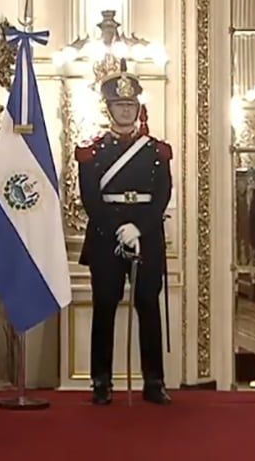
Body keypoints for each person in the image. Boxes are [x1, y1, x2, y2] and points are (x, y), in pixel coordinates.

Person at [76, 72, 172, 406]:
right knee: (104, 306)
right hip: (106, 235)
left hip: (146, 233)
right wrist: (116, 229)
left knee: (148, 305)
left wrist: (139, 230)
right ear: (109, 108)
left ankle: (154, 381)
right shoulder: (92, 151)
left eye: (131, 104)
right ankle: (100, 381)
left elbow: (161, 195)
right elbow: (90, 197)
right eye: (120, 104)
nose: (126, 110)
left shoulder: (157, 151)